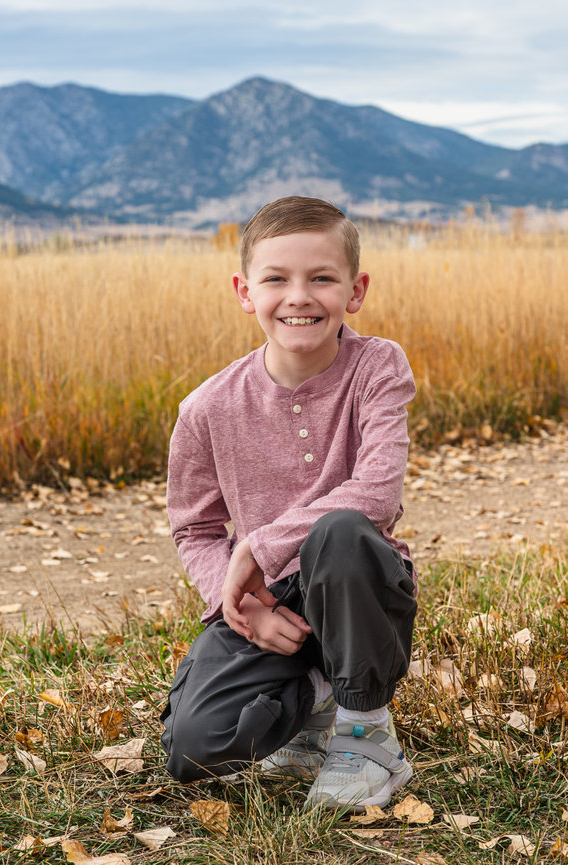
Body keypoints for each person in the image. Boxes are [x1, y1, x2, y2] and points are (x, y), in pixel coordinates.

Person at [160, 196, 418, 811]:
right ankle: (312, 710)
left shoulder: (377, 367)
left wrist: (260, 543)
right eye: (276, 278)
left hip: (358, 582)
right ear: (245, 291)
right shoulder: (207, 407)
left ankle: (366, 734)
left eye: (321, 278)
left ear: (354, 290)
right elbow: (194, 529)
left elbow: (378, 494)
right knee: (196, 747)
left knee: (341, 531)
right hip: (267, 597)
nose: (299, 296)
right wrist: (241, 604)